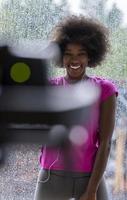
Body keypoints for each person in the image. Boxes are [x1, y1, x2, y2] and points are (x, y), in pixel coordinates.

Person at [34, 15, 118, 200]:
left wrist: (92, 190)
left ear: (90, 56)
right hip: (51, 177)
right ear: (60, 56)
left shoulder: (105, 90)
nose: (75, 59)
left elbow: (105, 143)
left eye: (81, 53)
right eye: (68, 53)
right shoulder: (48, 88)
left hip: (90, 178)